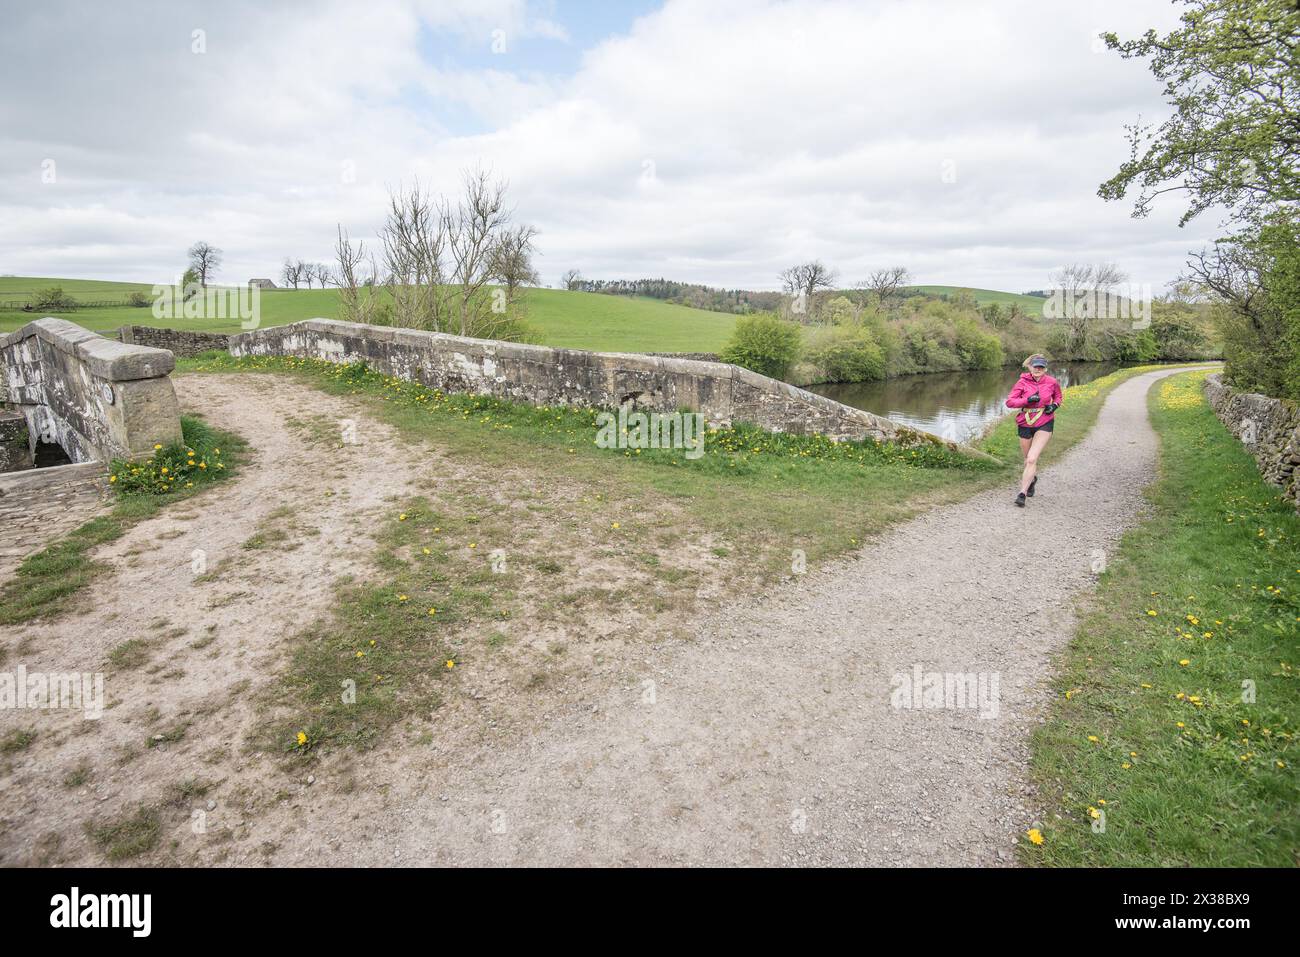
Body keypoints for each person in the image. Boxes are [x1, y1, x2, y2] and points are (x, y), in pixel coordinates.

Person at [1005, 354, 1062, 508]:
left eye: (1041, 367)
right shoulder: (1022, 382)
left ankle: (1022, 493)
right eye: (1035, 366)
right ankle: (1032, 479)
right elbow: (1010, 402)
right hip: (1025, 423)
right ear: (1030, 367)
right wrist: (1027, 400)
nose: (1038, 369)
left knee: (1031, 459)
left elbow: (1058, 397)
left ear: (1045, 369)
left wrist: (1054, 406)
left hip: (1044, 422)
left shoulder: (1052, 382)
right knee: (1027, 459)